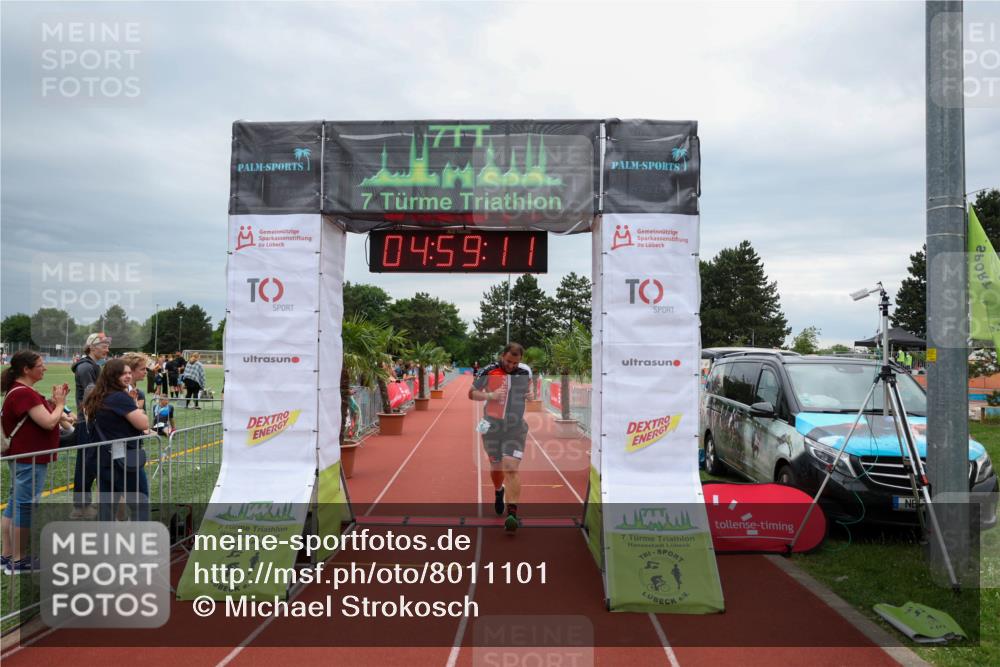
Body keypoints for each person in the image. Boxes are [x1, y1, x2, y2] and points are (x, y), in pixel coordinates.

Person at [2, 351, 73, 573]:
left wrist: (53, 403)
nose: (45, 368)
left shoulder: (19, 391)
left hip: (23, 457)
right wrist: (60, 404)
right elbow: (49, 422)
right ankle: (18, 560)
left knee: (15, 503)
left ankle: (7, 555)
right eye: (41, 365)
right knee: (24, 506)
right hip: (29, 458)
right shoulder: (24, 393)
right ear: (26, 369)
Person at [469, 343, 533, 532]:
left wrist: (531, 395)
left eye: (515, 362)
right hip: (491, 426)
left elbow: (529, 391)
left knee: (511, 467)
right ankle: (499, 491)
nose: (511, 365)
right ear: (502, 356)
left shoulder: (525, 372)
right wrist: (491, 395)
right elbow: (471, 393)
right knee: (496, 467)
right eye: (508, 361)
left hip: (515, 427)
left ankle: (512, 514)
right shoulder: (488, 370)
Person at [82, 358, 151, 522]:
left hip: (102, 458)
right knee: (140, 503)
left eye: (129, 373)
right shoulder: (119, 397)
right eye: (123, 374)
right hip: (123, 459)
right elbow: (143, 423)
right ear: (113, 376)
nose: (128, 376)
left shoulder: (97, 395)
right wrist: (136, 407)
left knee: (107, 507)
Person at [69, 332, 111, 520]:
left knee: (91, 464)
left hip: (92, 421)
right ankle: (80, 507)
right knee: (85, 465)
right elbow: (92, 396)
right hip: (87, 423)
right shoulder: (86, 367)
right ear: (92, 347)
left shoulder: (93, 366)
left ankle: (84, 504)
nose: (107, 350)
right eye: (104, 346)